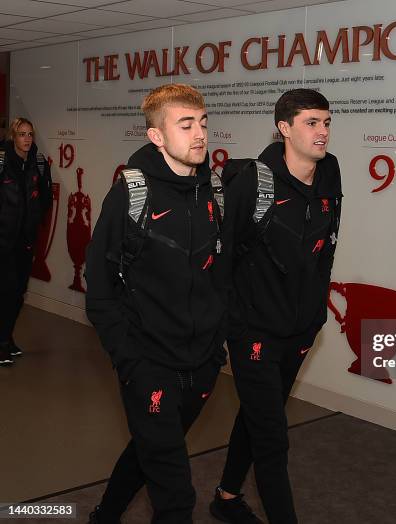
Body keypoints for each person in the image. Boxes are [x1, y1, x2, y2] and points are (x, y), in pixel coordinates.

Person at [85, 84, 229, 524]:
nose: (199, 134)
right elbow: (100, 287)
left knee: (150, 448)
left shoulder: (214, 191)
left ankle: (104, 514)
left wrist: (215, 346)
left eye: (202, 123)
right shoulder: (130, 195)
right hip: (147, 362)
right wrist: (130, 361)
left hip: (201, 362)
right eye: (185, 125)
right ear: (157, 137)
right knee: (175, 496)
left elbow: (222, 276)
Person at [209, 89, 342, 524]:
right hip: (253, 330)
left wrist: (315, 315)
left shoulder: (331, 173)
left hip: (299, 330)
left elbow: (327, 247)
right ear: (284, 128)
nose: (322, 132)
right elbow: (222, 256)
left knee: (258, 415)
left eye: (326, 122)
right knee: (273, 437)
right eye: (311, 123)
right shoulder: (253, 181)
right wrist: (226, 324)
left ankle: (227, 497)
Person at [0, 117, 52, 365]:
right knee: (7, 290)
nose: (27, 139)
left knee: (19, 292)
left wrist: (34, 223)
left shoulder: (39, 163)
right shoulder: (2, 161)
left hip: (25, 241)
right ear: (13, 136)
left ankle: (6, 338)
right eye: (22, 134)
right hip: (3, 241)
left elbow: (45, 198)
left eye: (30, 134)